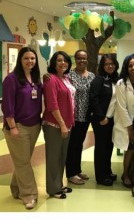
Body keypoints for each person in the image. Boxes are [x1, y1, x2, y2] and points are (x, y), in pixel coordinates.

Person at [2, 47, 43, 209]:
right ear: (20, 60)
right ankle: (29, 195)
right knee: (23, 162)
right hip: (17, 126)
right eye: (26, 58)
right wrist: (12, 127)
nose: (30, 61)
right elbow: (7, 105)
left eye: (32, 58)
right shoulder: (11, 79)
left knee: (22, 161)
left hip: (34, 125)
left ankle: (16, 188)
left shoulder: (35, 78)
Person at [43, 51, 76, 200]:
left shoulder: (66, 78)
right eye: (59, 61)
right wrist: (62, 124)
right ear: (53, 63)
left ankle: (59, 184)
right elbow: (52, 104)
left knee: (62, 157)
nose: (63, 63)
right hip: (54, 124)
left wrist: (67, 124)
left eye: (65, 61)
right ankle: (52, 188)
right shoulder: (51, 80)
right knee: (53, 157)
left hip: (67, 123)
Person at [113, 56, 134, 188]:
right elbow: (121, 107)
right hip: (129, 122)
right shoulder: (122, 84)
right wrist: (129, 127)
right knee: (130, 149)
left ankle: (133, 174)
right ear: (126, 68)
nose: (133, 68)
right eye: (130, 66)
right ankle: (125, 174)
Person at [65, 49, 94, 185]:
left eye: (84, 58)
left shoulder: (92, 76)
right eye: (79, 58)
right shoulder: (68, 75)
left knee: (79, 144)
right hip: (73, 116)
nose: (82, 60)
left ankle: (77, 170)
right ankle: (71, 173)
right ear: (75, 60)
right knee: (72, 145)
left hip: (86, 116)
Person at [89, 54, 119, 186]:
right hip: (101, 120)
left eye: (112, 63)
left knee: (109, 146)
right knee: (101, 147)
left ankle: (107, 171)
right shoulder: (99, 80)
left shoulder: (114, 80)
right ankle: (100, 176)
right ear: (102, 66)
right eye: (107, 64)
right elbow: (93, 99)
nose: (110, 66)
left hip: (111, 119)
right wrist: (101, 117)